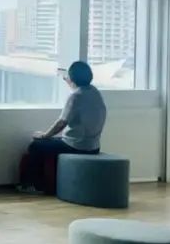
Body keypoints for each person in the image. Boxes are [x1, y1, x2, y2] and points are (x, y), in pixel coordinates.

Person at [18, 60, 106, 195]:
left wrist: (44, 135)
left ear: (71, 78)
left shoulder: (76, 96)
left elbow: (61, 122)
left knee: (35, 146)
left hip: (77, 146)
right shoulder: (95, 92)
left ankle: (33, 185)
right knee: (51, 142)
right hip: (94, 146)